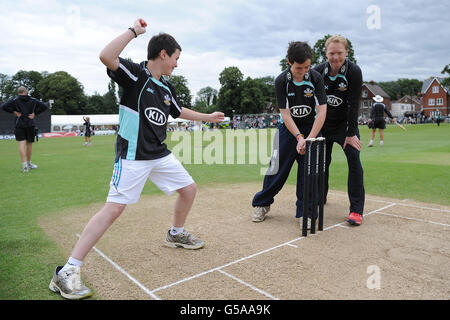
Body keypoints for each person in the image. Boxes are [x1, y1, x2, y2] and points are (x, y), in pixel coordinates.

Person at [48, 18, 224, 300]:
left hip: (159, 154)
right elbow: (106, 56)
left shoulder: (166, 88)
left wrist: (208, 117)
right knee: (113, 210)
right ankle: (67, 271)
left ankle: (175, 233)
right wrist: (134, 32)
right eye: (176, 58)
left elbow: (178, 112)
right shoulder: (134, 74)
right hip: (132, 156)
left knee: (189, 189)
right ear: (163, 54)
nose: (177, 64)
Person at [252, 41, 327, 229]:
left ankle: (306, 213)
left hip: (312, 129)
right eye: (298, 68)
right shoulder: (281, 81)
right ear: (289, 62)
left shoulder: (316, 78)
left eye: (307, 67)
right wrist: (299, 137)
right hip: (289, 129)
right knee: (276, 169)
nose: (303, 71)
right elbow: (285, 114)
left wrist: (309, 138)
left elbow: (322, 111)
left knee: (309, 174)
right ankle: (262, 203)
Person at [313, 35, 365, 226]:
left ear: (347, 52)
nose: (335, 58)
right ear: (326, 53)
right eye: (331, 53)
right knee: (321, 162)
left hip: (345, 125)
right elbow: (313, 103)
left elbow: (353, 104)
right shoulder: (317, 71)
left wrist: (351, 134)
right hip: (324, 124)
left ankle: (356, 210)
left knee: (354, 158)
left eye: (339, 53)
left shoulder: (353, 71)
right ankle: (320, 197)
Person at [0, 86, 48, 172]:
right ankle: (29, 163)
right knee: (29, 145)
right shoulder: (33, 99)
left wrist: (13, 112)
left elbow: (3, 106)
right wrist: (35, 113)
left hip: (19, 125)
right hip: (30, 124)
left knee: (21, 144)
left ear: (18, 92)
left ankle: (25, 166)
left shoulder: (14, 100)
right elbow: (44, 106)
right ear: (26, 91)